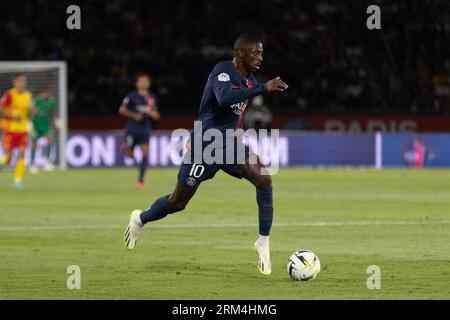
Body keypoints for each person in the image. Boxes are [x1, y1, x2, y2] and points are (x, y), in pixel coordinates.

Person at [124, 34, 288, 276]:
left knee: (264, 178)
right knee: (177, 202)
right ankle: (140, 219)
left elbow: (237, 114)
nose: (261, 58)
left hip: (231, 146)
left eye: (262, 53)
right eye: (256, 52)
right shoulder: (222, 70)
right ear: (241, 53)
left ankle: (263, 242)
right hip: (205, 146)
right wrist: (263, 88)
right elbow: (223, 98)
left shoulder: (251, 81)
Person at [119, 73, 160, 189]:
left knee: (145, 152)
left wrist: (155, 115)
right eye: (141, 81)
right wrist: (133, 115)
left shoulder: (152, 97)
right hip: (132, 128)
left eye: (146, 81)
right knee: (129, 153)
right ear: (137, 84)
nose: (144, 83)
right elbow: (122, 109)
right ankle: (127, 147)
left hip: (145, 128)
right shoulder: (131, 96)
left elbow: (156, 113)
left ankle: (140, 181)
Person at [0, 74, 34, 188]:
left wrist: (31, 112)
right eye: (20, 81)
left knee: (22, 153)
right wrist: (13, 118)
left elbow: (28, 113)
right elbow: (1, 111)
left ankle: (18, 181)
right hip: (10, 130)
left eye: (24, 82)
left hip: (23, 130)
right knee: (8, 159)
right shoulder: (9, 95)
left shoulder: (28, 96)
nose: (22, 84)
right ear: (15, 82)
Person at [29, 87, 56, 173]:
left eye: (49, 94)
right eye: (46, 93)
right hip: (35, 125)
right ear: (43, 93)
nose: (48, 95)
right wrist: (32, 115)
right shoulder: (36, 100)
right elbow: (31, 111)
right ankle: (32, 164)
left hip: (45, 126)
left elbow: (52, 113)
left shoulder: (52, 102)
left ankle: (47, 163)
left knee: (50, 139)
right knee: (34, 143)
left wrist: (53, 123)